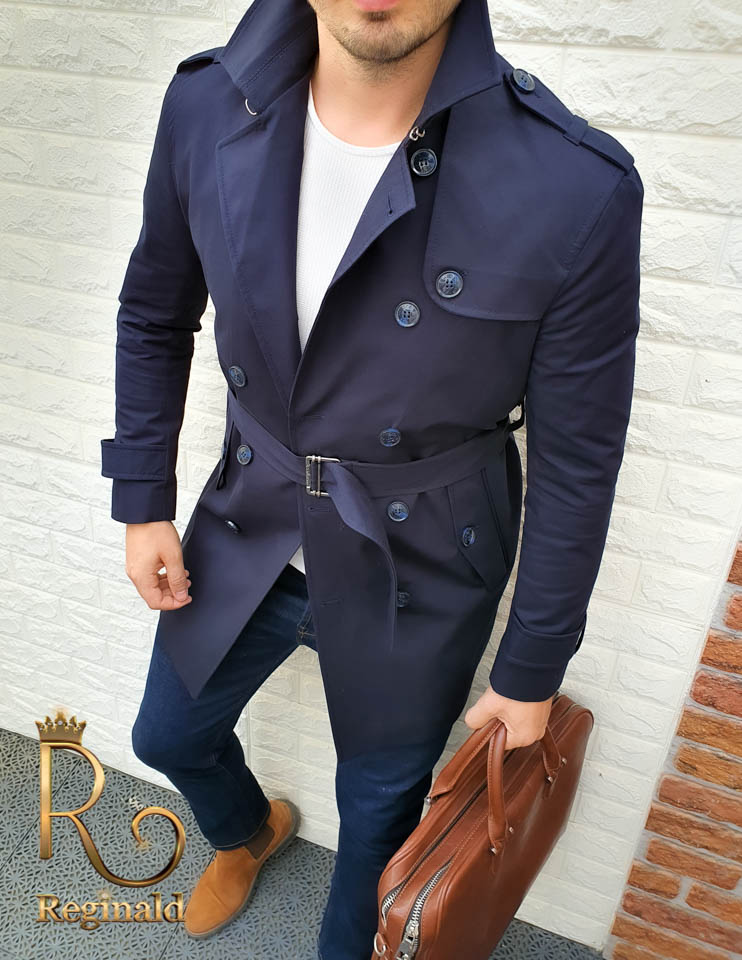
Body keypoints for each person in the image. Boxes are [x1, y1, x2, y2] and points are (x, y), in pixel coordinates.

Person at [100, 0, 643, 956]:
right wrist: (144, 500)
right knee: (168, 735)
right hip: (252, 517)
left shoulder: (574, 182)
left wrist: (532, 669)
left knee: (375, 828)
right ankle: (247, 829)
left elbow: (578, 459)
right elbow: (154, 309)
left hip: (423, 560)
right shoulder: (206, 106)